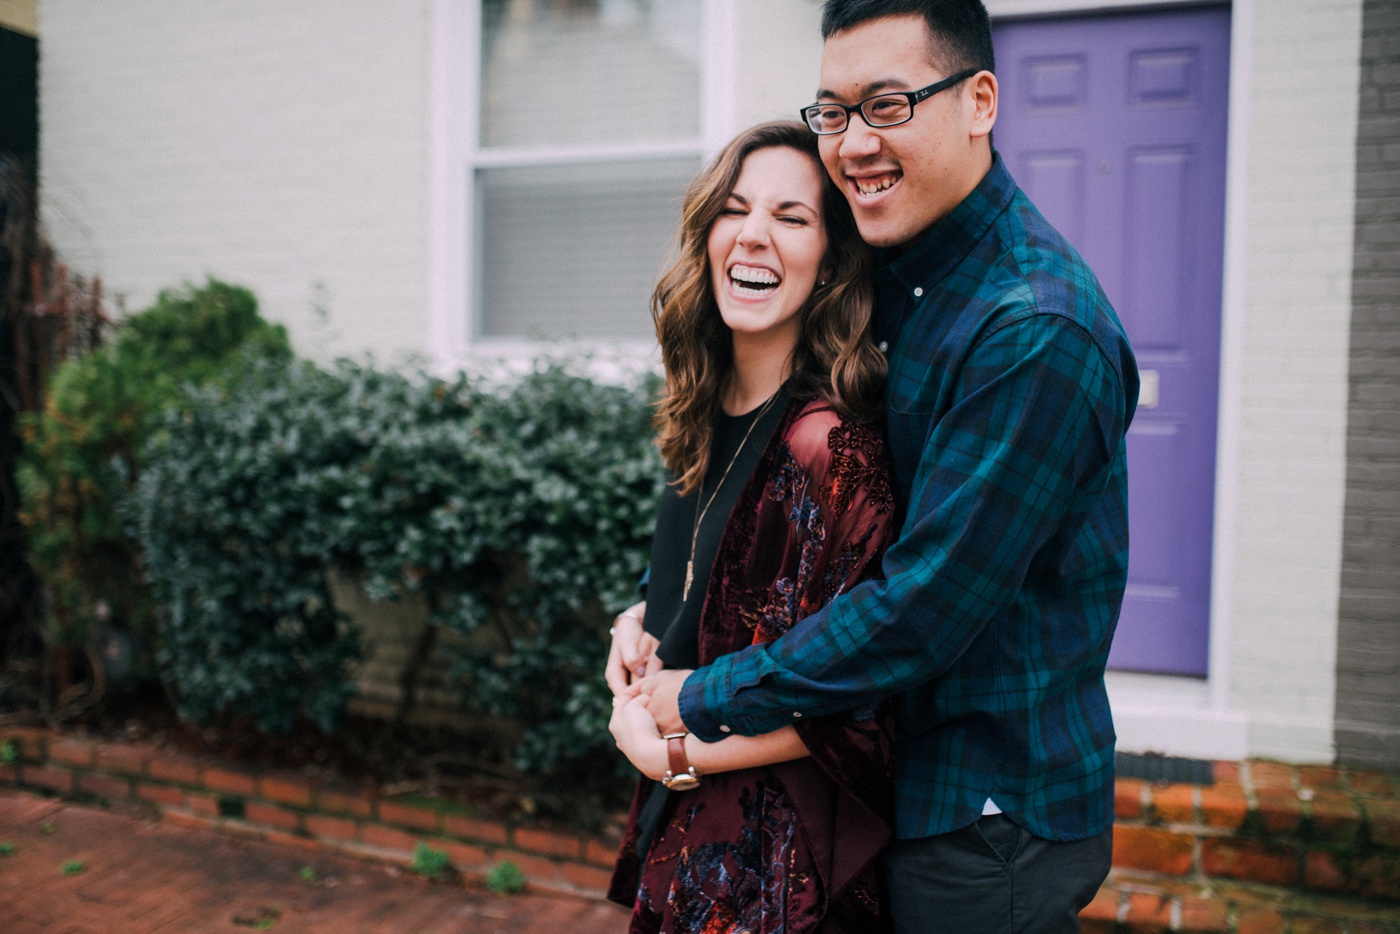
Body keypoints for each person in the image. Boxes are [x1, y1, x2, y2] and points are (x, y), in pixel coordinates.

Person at [620, 2, 1140, 932]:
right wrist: (664, 612)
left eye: (888, 104)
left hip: (984, 813)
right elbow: (782, 526)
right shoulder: (887, 269)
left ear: (981, 100)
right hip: (874, 777)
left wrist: (700, 702)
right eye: (834, 111)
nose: (854, 142)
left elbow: (922, 607)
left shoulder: (1033, 329)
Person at [604, 120, 899, 934]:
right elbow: (701, 574)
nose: (754, 236)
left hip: (771, 866)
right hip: (686, 835)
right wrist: (634, 624)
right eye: (734, 210)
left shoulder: (829, 445)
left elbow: (857, 695)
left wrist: (672, 754)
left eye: (792, 217)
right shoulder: (701, 407)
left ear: (832, 260)